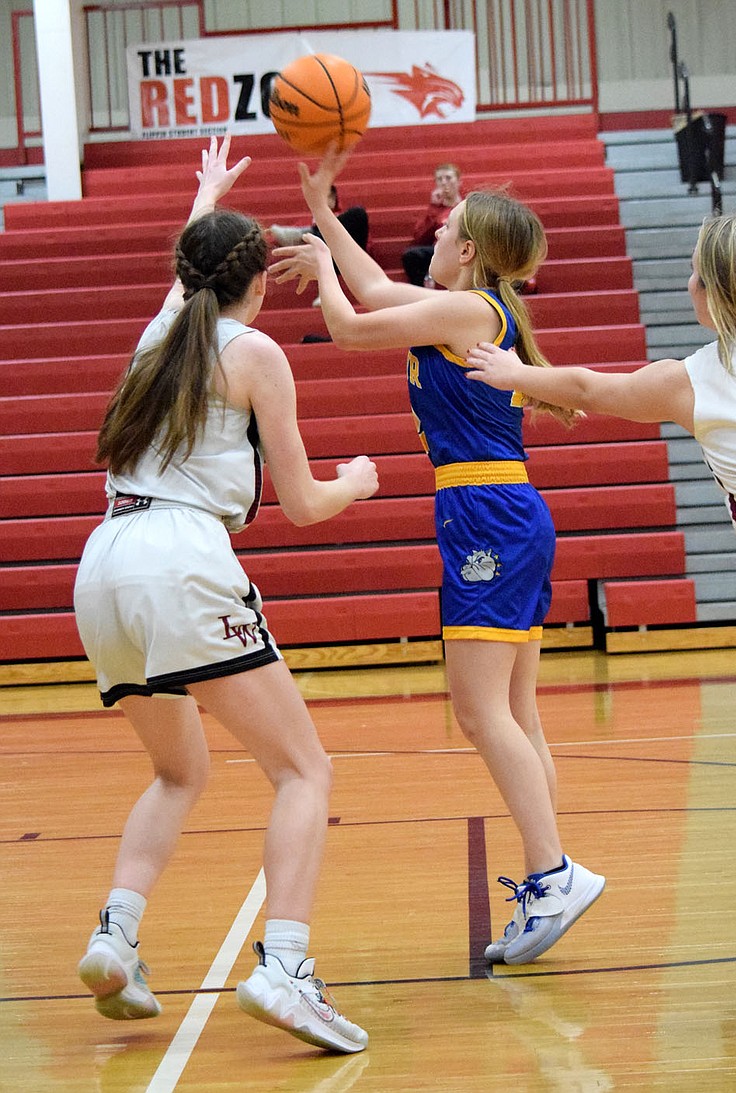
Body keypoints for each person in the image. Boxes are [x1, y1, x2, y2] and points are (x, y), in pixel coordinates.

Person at [73, 135, 377, 1054]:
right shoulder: (257, 353)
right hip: (180, 555)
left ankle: (115, 937)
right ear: (257, 283)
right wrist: (358, 479)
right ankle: (284, 964)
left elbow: (188, 273)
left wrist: (205, 197)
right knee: (303, 768)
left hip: (102, 565)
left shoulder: (158, 333)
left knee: (179, 769)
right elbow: (300, 502)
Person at [269, 147, 605, 966]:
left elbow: (350, 327)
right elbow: (378, 294)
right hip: (503, 508)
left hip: (487, 511)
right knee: (516, 712)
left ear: (470, 250)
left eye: (448, 226)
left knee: (479, 710)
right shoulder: (477, 309)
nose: (438, 232)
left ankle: (553, 871)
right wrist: (322, 215)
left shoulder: (469, 313)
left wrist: (321, 260)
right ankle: (549, 872)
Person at [464, 210, 736, 998]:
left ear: (715, 294)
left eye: (693, 269)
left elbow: (588, 388)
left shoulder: (701, 374)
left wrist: (514, 375)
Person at [402, 163, 462, 286]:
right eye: (439, 179)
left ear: (459, 181)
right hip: (440, 249)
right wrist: (433, 208)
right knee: (411, 255)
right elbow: (419, 239)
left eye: (448, 178)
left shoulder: (466, 205)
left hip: (461, 248)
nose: (444, 182)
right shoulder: (435, 210)